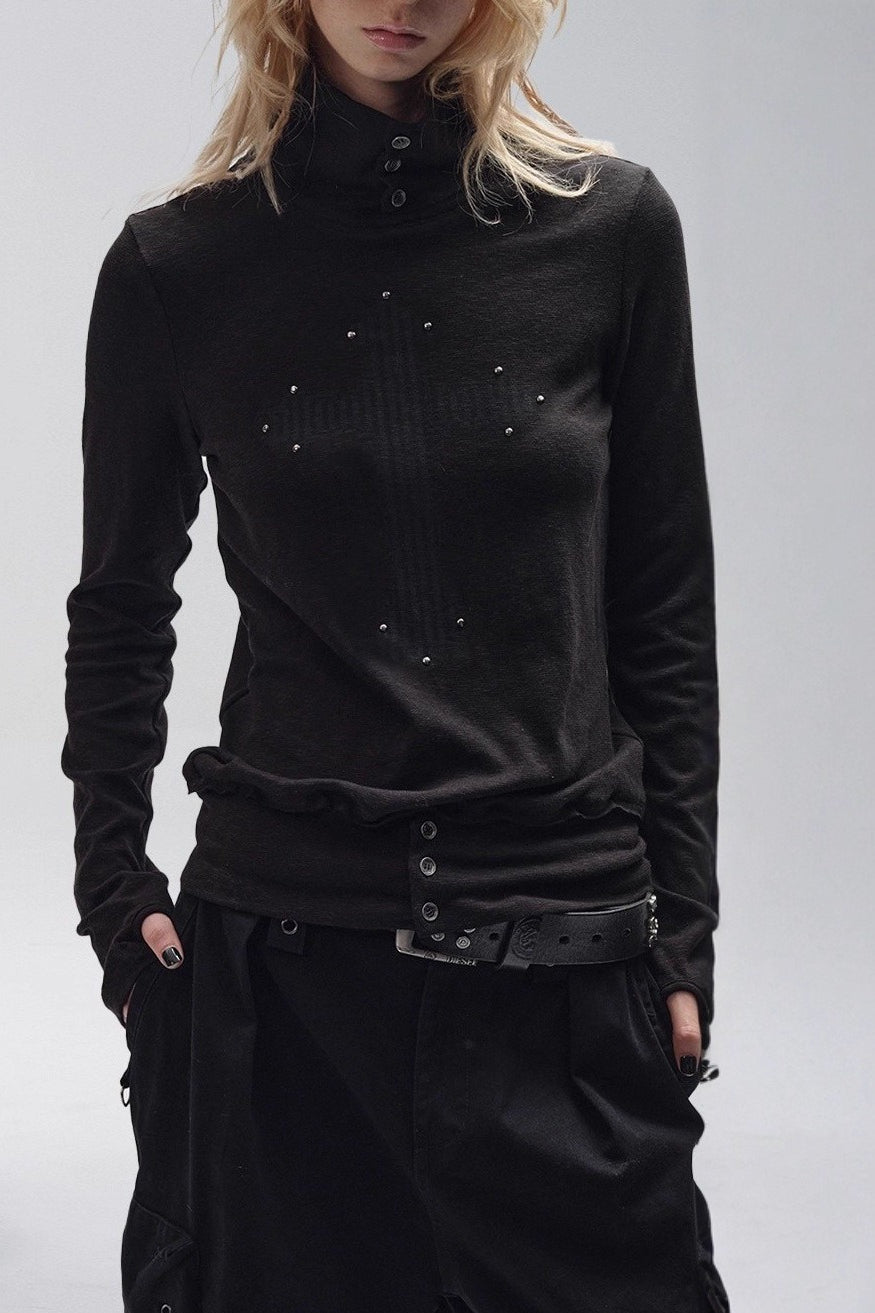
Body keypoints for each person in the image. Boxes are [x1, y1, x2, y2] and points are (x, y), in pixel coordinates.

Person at [61, 1, 731, 1310]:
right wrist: (113, 896)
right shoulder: (177, 265)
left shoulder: (614, 231)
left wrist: (685, 937)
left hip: (562, 957)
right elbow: (122, 609)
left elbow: (663, 611)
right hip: (281, 993)